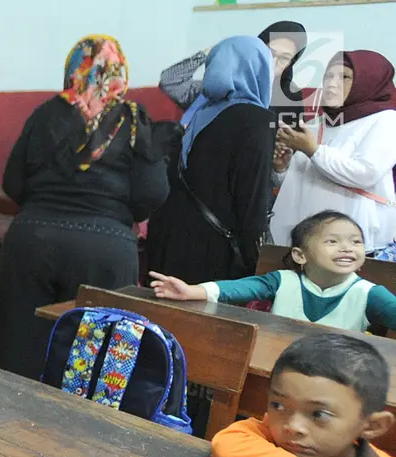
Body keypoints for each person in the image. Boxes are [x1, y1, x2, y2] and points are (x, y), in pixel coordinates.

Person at [0, 35, 169, 379]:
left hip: (33, 240)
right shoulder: (133, 119)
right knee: (92, 362)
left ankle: (7, 428)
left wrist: (45, 206)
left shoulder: (46, 113)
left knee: (19, 353)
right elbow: (152, 192)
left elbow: (13, 181)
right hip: (104, 247)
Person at [146, 36, 275, 285]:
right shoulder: (257, 119)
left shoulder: (199, 113)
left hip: (166, 235)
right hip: (212, 251)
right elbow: (251, 199)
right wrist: (256, 264)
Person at [211, 333, 396, 457]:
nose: (293, 426)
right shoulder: (265, 434)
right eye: (278, 405)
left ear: (372, 425)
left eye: (319, 414)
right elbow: (224, 447)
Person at [151, 211, 396, 332]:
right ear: (300, 255)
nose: (347, 248)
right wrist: (193, 291)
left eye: (355, 242)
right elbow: (239, 288)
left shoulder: (369, 294)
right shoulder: (283, 281)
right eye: (332, 242)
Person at [271, 51, 396, 253]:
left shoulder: (385, 120)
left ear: (367, 81)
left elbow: (366, 173)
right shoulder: (318, 123)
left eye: (344, 77)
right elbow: (302, 183)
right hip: (309, 240)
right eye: (328, 76)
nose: (331, 84)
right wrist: (281, 168)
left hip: (355, 242)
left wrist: (313, 150)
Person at [160, 21, 307, 122]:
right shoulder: (222, 84)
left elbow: (290, 144)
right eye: (268, 53)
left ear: (290, 64)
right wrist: (209, 52)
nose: (272, 63)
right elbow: (170, 82)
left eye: (284, 59)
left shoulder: (288, 97)